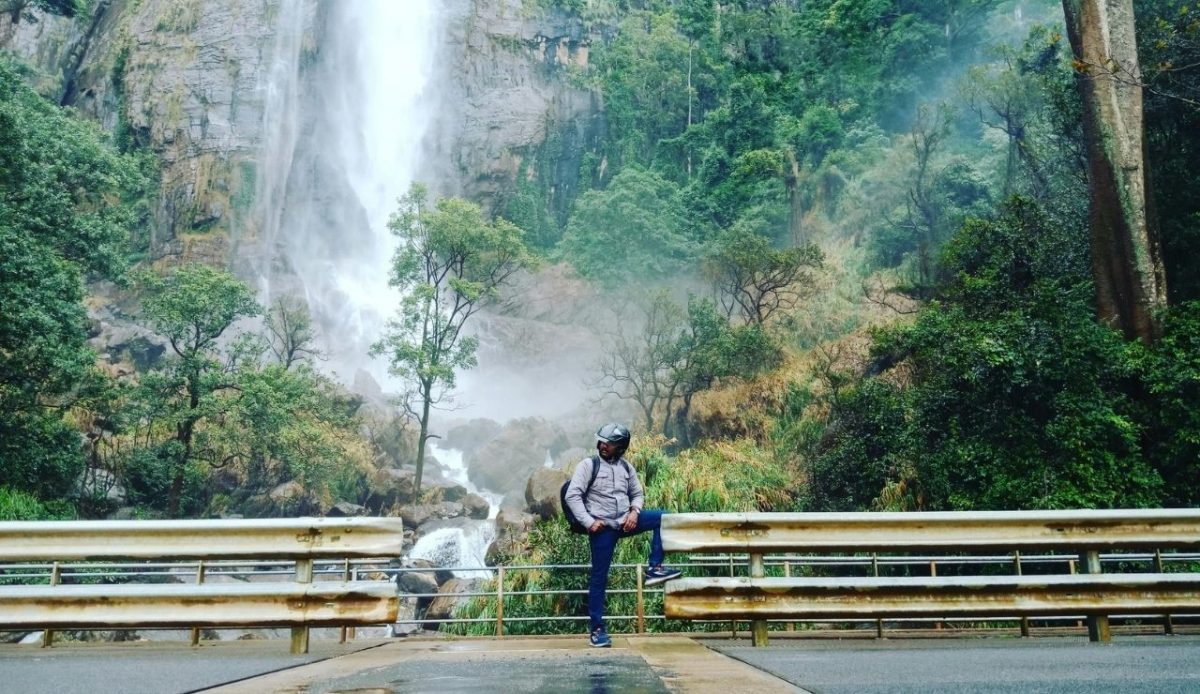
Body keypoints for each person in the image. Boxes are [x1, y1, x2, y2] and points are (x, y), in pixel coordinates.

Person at [563, 422, 682, 647]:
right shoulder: (588, 465)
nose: (602, 445)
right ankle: (597, 630)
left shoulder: (627, 468)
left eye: (608, 443)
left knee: (664, 517)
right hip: (602, 528)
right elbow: (572, 496)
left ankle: (655, 568)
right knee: (599, 577)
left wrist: (635, 513)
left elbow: (637, 494)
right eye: (601, 441)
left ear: (620, 447)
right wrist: (589, 522)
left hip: (626, 523)